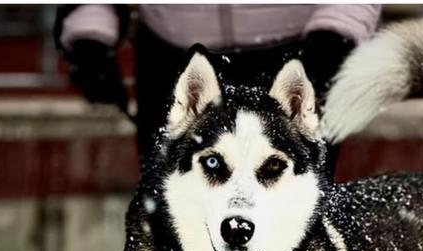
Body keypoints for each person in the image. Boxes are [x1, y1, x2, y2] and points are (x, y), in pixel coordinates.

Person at [54, 4, 380, 159]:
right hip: (171, 62)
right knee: (172, 231)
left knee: (290, 233)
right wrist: (90, 33)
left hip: (299, 58)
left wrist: (338, 30)